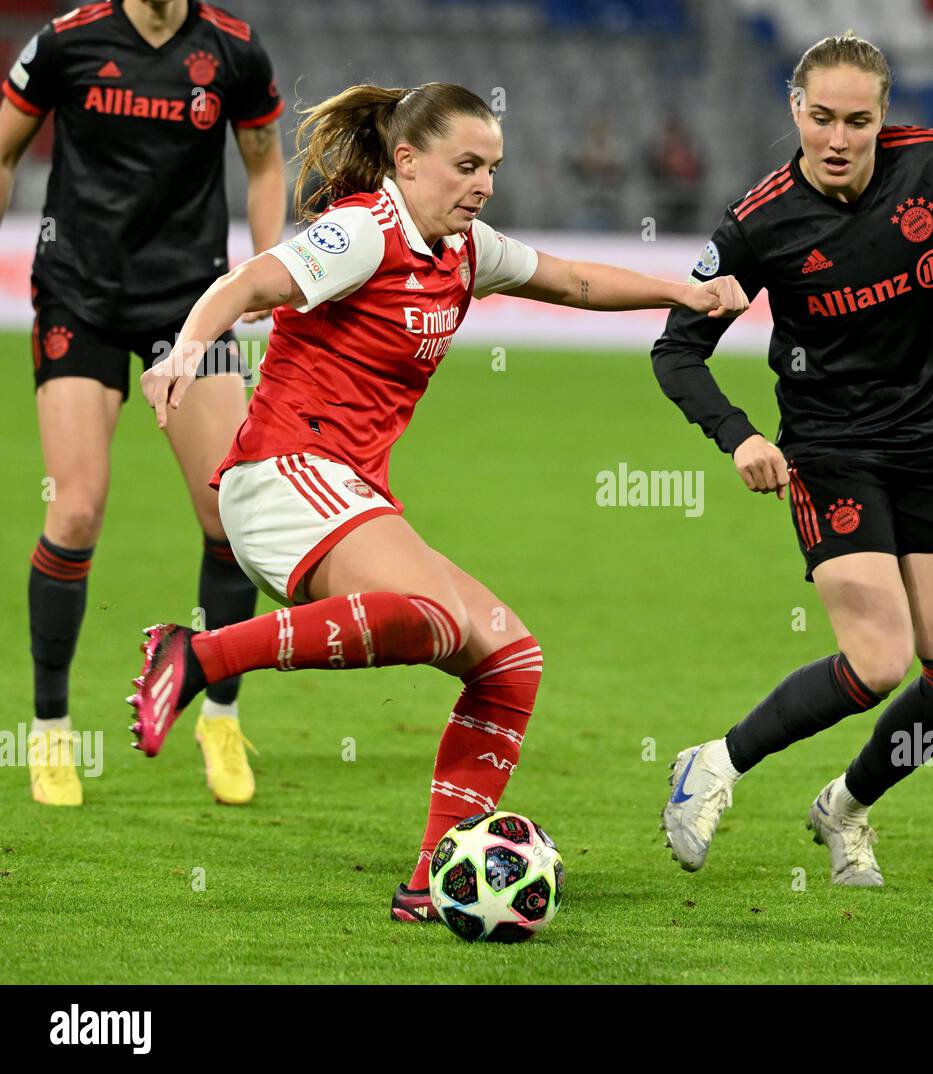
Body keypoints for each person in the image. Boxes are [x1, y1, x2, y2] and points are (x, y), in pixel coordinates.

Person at [125, 81, 750, 921]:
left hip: (347, 491)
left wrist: (682, 293)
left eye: (491, 166)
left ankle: (430, 881)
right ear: (408, 162)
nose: (483, 183)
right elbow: (251, 285)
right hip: (282, 473)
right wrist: (189, 349)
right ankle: (197, 656)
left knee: (508, 661)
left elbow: (568, 280)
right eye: (466, 165)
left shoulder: (463, 247)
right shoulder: (362, 231)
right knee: (427, 612)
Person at [653, 32, 933, 887]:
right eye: (821, 117)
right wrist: (742, 436)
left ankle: (847, 809)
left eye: (856, 121)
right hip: (834, 453)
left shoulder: (932, 165)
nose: (837, 139)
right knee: (876, 660)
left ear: (883, 118)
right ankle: (714, 763)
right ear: (795, 110)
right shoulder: (758, 224)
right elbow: (677, 350)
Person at [0, 0, 285, 806]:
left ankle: (220, 716)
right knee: (78, 510)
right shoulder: (65, 41)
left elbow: (263, 163)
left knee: (229, 510)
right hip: (78, 297)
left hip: (191, 306)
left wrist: (263, 269)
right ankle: (50, 730)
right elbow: (6, 149)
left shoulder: (232, 50)